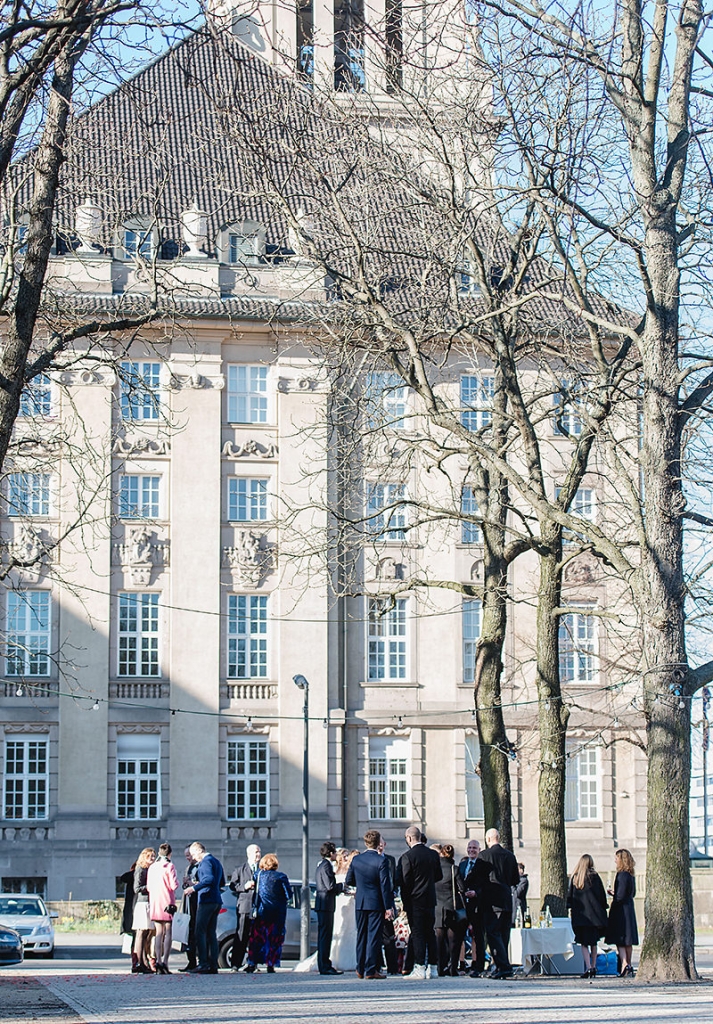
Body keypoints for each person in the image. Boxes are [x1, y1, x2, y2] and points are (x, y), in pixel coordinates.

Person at [345, 829, 395, 980]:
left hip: (360, 901)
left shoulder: (356, 860)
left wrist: (361, 884)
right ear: (378, 842)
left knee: (361, 935)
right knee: (373, 936)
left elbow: (349, 880)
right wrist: (388, 906)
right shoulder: (381, 860)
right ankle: (370, 969)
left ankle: (359, 968)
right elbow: (385, 885)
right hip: (376, 902)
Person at [471, 827, 519, 979]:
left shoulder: (484, 856)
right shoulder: (510, 856)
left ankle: (504, 966)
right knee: (504, 934)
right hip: (506, 899)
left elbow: (477, 878)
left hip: (490, 900)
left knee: (493, 934)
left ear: (488, 839)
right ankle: (501, 966)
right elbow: (515, 880)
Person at [398, 825, 442, 979]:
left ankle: (419, 967)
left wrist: (405, 900)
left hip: (414, 900)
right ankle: (434, 967)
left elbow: (404, 881)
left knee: (417, 933)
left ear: (409, 838)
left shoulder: (407, 857)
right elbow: (438, 876)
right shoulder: (433, 855)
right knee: (430, 933)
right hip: (430, 898)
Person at [245, 854, 293, 972]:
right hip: (277, 914)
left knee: (257, 939)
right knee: (274, 939)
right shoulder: (281, 877)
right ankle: (270, 964)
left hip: (261, 912)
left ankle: (252, 963)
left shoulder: (258, 875)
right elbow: (288, 895)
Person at [184, 841, 225, 974]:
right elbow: (221, 882)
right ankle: (213, 964)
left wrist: (193, 888)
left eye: (193, 854)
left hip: (206, 900)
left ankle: (203, 963)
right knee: (211, 933)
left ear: (198, 851)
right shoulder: (216, 861)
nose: (193, 857)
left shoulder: (206, 862)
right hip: (216, 900)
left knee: (200, 931)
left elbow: (208, 879)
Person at [567, 854, 607, 978]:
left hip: (581, 916)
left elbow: (571, 897)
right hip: (594, 916)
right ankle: (594, 966)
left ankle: (588, 966)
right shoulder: (595, 878)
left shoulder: (576, 878)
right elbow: (601, 896)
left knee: (584, 943)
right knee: (594, 943)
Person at [434, 844, 468, 976]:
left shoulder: (435, 869)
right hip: (451, 908)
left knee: (438, 941)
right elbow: (462, 888)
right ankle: (453, 968)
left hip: (437, 908)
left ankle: (438, 967)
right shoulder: (454, 869)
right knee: (453, 941)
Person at [147, 843, 179, 974]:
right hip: (167, 901)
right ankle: (165, 962)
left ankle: (158, 961)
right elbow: (174, 885)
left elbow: (148, 887)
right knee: (168, 932)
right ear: (169, 854)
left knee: (158, 933)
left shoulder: (153, 867)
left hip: (155, 901)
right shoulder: (169, 866)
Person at [229, 843, 261, 971]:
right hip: (244, 907)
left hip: (258, 907)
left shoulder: (262, 869)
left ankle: (253, 963)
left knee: (256, 936)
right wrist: (244, 886)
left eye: (259, 852)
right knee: (241, 935)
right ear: (249, 854)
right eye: (256, 852)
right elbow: (232, 886)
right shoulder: (240, 869)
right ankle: (236, 964)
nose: (258, 854)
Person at [606, 849, 638, 977]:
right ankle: (628, 964)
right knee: (628, 939)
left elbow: (619, 896)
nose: (615, 860)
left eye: (617, 858)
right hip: (629, 908)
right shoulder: (630, 875)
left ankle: (624, 963)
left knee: (620, 938)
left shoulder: (621, 875)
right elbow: (632, 893)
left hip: (620, 910)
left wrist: (614, 894)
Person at [315, 842, 344, 975]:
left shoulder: (322, 865)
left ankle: (324, 964)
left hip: (323, 904)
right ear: (331, 853)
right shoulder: (326, 866)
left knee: (324, 936)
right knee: (325, 936)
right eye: (335, 853)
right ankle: (325, 965)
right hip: (326, 904)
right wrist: (342, 886)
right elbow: (330, 886)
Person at [459, 838, 486, 975]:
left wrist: (476, 893)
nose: (471, 850)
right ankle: (461, 963)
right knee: (460, 935)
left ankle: (478, 964)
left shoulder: (482, 865)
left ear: (479, 850)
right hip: (464, 906)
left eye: (474, 848)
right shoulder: (463, 865)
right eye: (469, 848)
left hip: (477, 905)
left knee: (478, 936)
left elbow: (486, 885)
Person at [132, 847, 156, 974]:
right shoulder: (140, 869)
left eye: (153, 856)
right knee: (141, 932)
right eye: (150, 857)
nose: (152, 859)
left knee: (147, 933)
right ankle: (140, 962)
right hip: (143, 903)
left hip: (149, 902)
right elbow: (136, 888)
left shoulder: (150, 869)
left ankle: (144, 961)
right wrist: (150, 886)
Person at [378, 838, 399, 975]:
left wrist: (395, 892)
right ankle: (378, 965)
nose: (380, 845)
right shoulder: (369, 859)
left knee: (389, 936)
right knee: (376, 936)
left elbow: (394, 878)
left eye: (382, 842)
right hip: (375, 902)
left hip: (388, 902)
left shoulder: (390, 859)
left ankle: (392, 967)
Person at [179, 846, 199, 972]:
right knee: (188, 933)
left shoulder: (200, 866)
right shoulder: (188, 868)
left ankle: (198, 960)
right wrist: (185, 883)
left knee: (196, 933)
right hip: (188, 903)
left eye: (189, 855)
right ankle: (191, 961)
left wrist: (192, 884)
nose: (188, 858)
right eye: (186, 856)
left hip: (197, 903)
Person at [119, 861, 137, 972]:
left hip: (137, 908)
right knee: (134, 937)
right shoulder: (132, 876)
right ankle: (135, 962)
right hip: (132, 910)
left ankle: (140, 961)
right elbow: (123, 878)